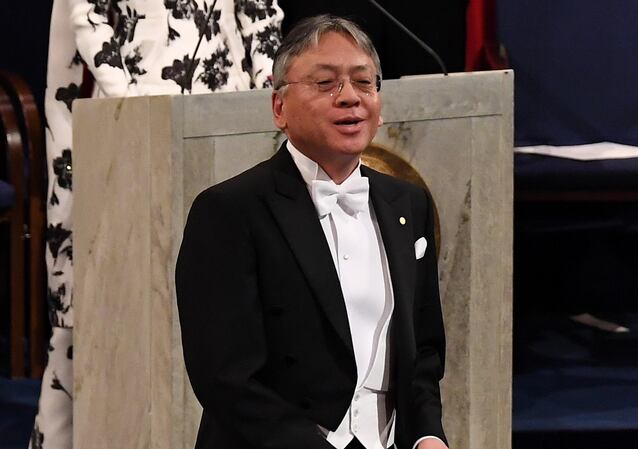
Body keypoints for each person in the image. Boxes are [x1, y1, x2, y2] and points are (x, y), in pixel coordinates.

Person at [175, 15, 449, 449]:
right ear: (278, 107)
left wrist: (427, 434)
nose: (350, 98)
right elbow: (225, 378)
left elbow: (423, 353)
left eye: (364, 82)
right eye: (325, 83)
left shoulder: (408, 204)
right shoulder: (229, 211)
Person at [30, 1, 283, 447]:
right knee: (119, 306)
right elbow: (87, 18)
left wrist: (269, 96)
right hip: (127, 114)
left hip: (231, 116)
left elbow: (260, 13)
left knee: (228, 310)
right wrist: (133, 108)